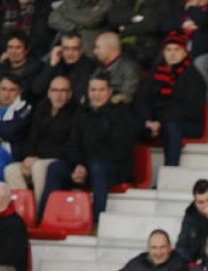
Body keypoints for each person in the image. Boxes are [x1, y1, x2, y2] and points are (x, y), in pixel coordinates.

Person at [41, 74, 137, 224]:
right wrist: (79, 165)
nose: (96, 94)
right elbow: (73, 143)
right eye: (93, 90)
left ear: (110, 91)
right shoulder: (82, 113)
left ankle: (97, 221)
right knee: (55, 167)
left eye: (101, 90)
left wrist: (87, 165)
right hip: (86, 167)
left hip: (112, 169)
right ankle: (45, 218)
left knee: (97, 167)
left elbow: (118, 149)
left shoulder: (122, 114)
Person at [3, 75, 78, 208]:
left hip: (61, 161)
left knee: (38, 167)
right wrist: (28, 157)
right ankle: (24, 210)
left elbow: (71, 146)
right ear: (49, 93)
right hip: (38, 158)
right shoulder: (42, 109)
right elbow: (32, 137)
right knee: (11, 170)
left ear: (69, 94)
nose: (58, 95)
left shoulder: (77, 113)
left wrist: (37, 158)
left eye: (63, 91)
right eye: (55, 91)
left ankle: (40, 210)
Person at [135, 31, 207, 167]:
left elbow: (192, 109)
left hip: (187, 123)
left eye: (176, 49)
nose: (172, 54)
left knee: (171, 127)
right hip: (158, 120)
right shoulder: (155, 72)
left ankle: (170, 170)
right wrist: (149, 120)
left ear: (185, 52)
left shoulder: (193, 76)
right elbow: (142, 100)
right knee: (131, 126)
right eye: (168, 50)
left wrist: (160, 120)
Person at [32, 32, 94, 105]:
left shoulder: (88, 66)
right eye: (66, 48)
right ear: (60, 49)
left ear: (81, 50)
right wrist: (51, 65)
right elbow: (37, 89)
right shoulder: (55, 61)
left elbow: (79, 96)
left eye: (75, 49)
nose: (70, 53)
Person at [0, 31, 41, 100]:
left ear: (26, 50)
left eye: (18, 47)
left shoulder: (36, 69)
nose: (13, 52)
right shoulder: (2, 67)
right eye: (10, 47)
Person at [92, 32, 142, 104]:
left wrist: (105, 101)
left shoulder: (130, 68)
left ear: (110, 48)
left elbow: (127, 95)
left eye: (98, 47)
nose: (95, 52)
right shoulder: (99, 69)